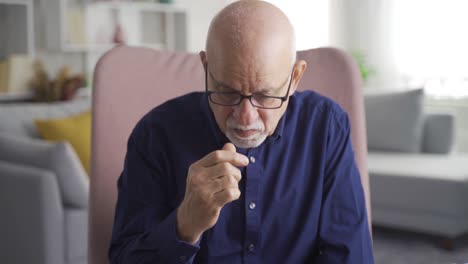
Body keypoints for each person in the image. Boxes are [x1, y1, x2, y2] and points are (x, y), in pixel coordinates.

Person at [109, 0, 374, 263]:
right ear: (206, 67)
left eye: (266, 95)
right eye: (227, 92)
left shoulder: (326, 127)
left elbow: (350, 256)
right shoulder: (156, 134)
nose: (246, 117)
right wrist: (185, 226)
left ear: (295, 78)